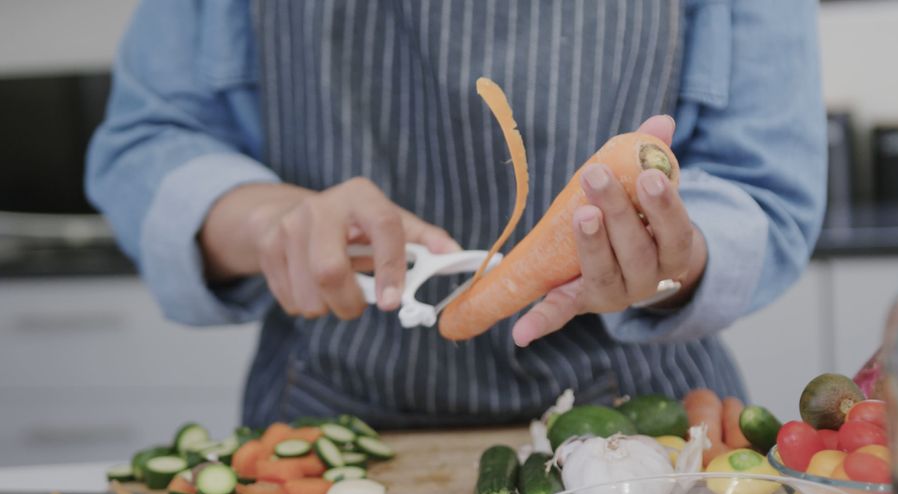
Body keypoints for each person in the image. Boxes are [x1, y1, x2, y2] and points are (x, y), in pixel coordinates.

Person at [86, 0, 825, 429]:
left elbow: (764, 184)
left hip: (648, 427)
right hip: (327, 414)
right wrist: (269, 220)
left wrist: (675, 257)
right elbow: (146, 142)